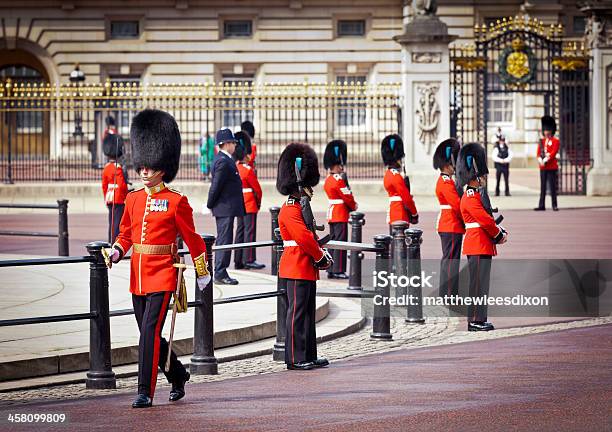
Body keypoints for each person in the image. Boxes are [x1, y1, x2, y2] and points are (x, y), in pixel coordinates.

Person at [107, 109, 211, 408]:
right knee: (148, 334)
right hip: (138, 275)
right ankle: (177, 374)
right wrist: (116, 251)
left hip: (164, 274)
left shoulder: (177, 201)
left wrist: (201, 271)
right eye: (141, 165)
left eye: (149, 166)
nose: (143, 171)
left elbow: (192, 239)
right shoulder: (133, 198)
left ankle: (144, 390)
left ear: (162, 167)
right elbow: (125, 234)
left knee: (149, 333)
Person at [277, 142, 332, 370]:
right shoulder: (290, 209)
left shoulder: (300, 207)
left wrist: (320, 254)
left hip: (305, 267)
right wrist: (321, 257)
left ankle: (308, 353)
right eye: (308, 184)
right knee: (297, 315)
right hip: (296, 267)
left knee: (307, 314)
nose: (312, 188)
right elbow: (303, 238)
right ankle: (295, 358)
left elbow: (310, 235)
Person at [456, 143, 508, 332]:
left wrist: (497, 229)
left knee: (480, 285)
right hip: (478, 244)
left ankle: (478, 318)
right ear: (475, 176)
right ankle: (476, 320)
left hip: (481, 244)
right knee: (478, 285)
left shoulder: (474, 196)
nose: (484, 178)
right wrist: (499, 233)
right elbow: (485, 221)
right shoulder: (470, 198)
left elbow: (486, 219)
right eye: (482, 175)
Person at [206, 128, 245, 285]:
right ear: (226, 144)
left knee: (225, 239)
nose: (235, 146)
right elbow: (216, 186)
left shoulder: (224, 159)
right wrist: (210, 203)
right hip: (224, 207)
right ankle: (220, 272)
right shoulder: (223, 160)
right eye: (233, 143)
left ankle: (221, 270)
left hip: (226, 207)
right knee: (224, 239)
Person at [433, 138, 464, 298]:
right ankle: (450, 294)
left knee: (450, 260)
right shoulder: (446, 183)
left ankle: (447, 292)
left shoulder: (448, 181)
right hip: (451, 224)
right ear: (447, 164)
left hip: (450, 224)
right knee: (451, 261)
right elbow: (457, 206)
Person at [323, 139, 357, 279]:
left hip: (333, 213)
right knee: (340, 243)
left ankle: (331, 268)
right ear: (335, 165)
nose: (341, 168)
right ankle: (338, 269)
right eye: (340, 165)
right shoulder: (337, 180)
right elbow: (347, 196)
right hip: (340, 213)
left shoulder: (328, 180)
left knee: (333, 242)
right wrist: (354, 206)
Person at [233, 131, 265, 270]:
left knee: (240, 231)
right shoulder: (247, 170)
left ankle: (238, 259)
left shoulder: (236, 168)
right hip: (250, 203)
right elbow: (257, 190)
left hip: (239, 202)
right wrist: (258, 202)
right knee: (249, 232)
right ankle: (249, 259)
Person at [381, 134, 418, 233]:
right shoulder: (396, 176)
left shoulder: (388, 174)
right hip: (400, 213)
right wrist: (414, 213)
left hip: (393, 212)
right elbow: (406, 198)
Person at [101, 132, 128, 244]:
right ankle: (115, 241)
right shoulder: (118, 167)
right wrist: (126, 196)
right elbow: (122, 185)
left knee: (111, 222)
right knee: (117, 222)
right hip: (118, 197)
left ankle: (111, 240)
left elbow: (104, 185)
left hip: (109, 197)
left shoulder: (106, 168)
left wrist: (106, 197)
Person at [534, 115, 560, 211]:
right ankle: (542, 205)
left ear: (551, 130)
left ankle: (554, 205)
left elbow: (553, 152)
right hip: (543, 167)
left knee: (553, 187)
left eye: (548, 130)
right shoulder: (542, 141)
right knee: (543, 187)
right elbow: (537, 153)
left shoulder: (555, 141)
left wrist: (546, 159)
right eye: (545, 130)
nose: (546, 132)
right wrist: (540, 160)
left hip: (552, 167)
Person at [492, 131, 513, 196]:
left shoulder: (507, 148)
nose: (502, 142)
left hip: (505, 166)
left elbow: (511, 155)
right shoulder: (496, 148)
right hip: (499, 166)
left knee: (506, 180)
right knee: (498, 180)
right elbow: (494, 157)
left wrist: (505, 160)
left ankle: (507, 192)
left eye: (503, 140)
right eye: (501, 140)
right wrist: (501, 160)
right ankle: (497, 192)